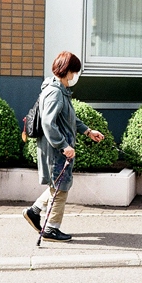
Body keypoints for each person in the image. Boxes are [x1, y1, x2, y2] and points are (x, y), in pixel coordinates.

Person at [23, 51, 104, 242]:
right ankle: (51, 229)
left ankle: (34, 212)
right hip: (56, 152)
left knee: (57, 185)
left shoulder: (60, 90)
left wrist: (88, 131)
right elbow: (48, 124)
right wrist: (63, 146)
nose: (75, 76)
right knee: (60, 187)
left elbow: (69, 119)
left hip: (58, 149)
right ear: (67, 71)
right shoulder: (55, 92)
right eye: (74, 71)